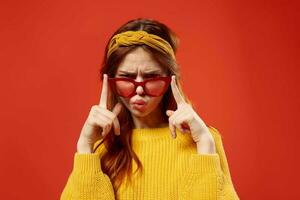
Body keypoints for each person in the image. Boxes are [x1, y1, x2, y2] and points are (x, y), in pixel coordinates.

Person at [60, 18, 239, 200]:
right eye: (126, 77)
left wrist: (205, 145)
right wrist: (84, 147)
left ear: (171, 79)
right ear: (110, 80)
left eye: (151, 77)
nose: (138, 89)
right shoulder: (99, 146)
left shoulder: (203, 140)